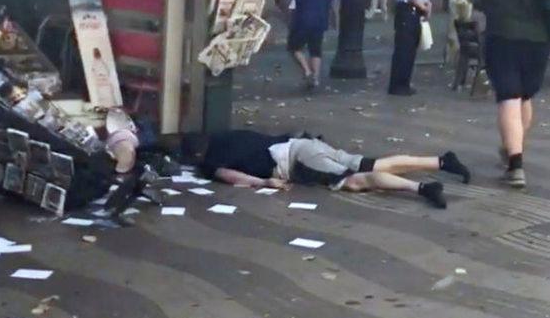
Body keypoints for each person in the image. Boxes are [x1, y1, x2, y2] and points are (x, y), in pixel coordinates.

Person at [467, 0, 550, 189]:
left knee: (509, 97)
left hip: (502, 34)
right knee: (525, 96)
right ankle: (514, 149)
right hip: (539, 38)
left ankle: (515, 163)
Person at [184, 130, 470, 210]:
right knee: (372, 164)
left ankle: (422, 188)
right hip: (303, 144)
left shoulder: (210, 162)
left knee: (357, 182)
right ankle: (441, 162)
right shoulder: (225, 136)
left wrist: (264, 182)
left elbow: (232, 177)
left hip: (299, 160)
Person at [287, 0, 338, 90]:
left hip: (302, 17)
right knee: (316, 49)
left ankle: (307, 71)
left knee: (294, 47)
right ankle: (315, 78)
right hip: (321, 16)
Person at [388, 0, 432, 96]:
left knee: (411, 49)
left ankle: (405, 82)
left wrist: (427, 4)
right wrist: (424, 7)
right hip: (407, 10)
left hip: (418, 12)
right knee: (403, 49)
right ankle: (397, 85)